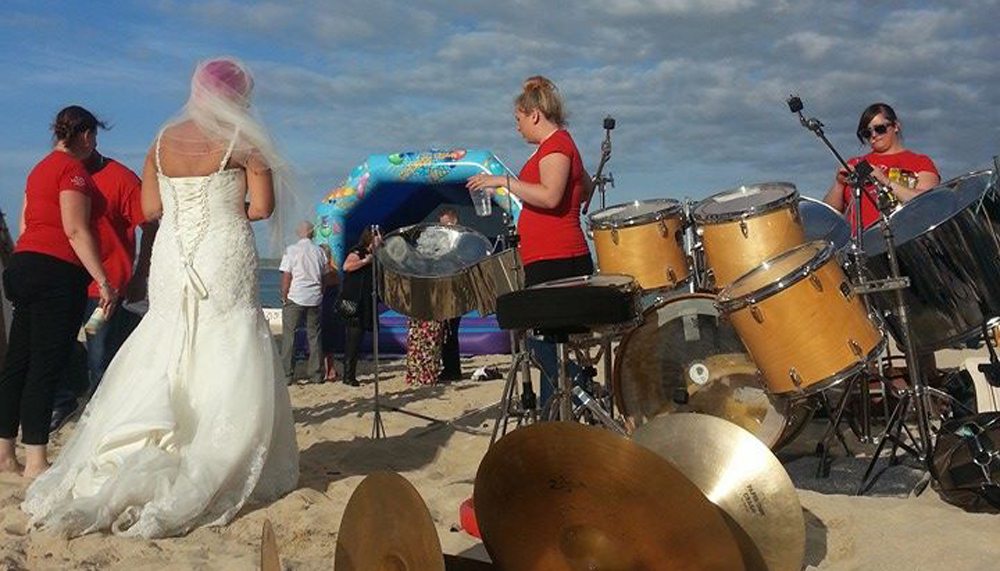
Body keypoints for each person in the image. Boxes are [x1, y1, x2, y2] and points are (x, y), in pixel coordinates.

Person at [22, 57, 299, 538]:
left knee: (167, 334)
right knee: (228, 334)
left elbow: (150, 209)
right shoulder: (245, 142)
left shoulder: (160, 142)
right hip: (221, 247)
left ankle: (145, 441)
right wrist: (225, 201)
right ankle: (209, 445)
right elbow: (262, 207)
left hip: (173, 251)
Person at [0, 106, 118, 480]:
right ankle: (35, 459)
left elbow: (24, 223)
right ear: (84, 135)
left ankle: (5, 453)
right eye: (94, 137)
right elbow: (75, 229)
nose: (95, 144)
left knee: (18, 361)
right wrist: (102, 280)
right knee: (46, 364)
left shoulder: (38, 170)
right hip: (56, 270)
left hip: (24, 264)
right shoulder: (73, 172)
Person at [466, 76, 595, 411]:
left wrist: (504, 182)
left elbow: (551, 197)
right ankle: (558, 412)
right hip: (548, 257)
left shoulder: (556, 146)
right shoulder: (557, 148)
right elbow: (585, 182)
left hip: (558, 259)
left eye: (518, 120)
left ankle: (569, 404)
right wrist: (579, 197)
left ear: (534, 114)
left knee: (546, 347)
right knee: (545, 344)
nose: (518, 128)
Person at [49, 139, 159, 431]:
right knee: (56, 346)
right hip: (64, 279)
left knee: (100, 354)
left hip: (105, 289)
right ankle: (64, 400)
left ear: (88, 140)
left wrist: (141, 273)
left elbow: (150, 224)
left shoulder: (120, 178)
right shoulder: (59, 173)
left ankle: (99, 418)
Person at [823, 102, 940, 233]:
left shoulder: (919, 162)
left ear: (896, 126)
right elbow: (828, 215)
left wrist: (885, 181)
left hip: (903, 240)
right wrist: (839, 184)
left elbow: (927, 204)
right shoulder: (856, 163)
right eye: (867, 133)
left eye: (879, 129)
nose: (873, 135)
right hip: (862, 246)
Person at [279, 221, 328, 385]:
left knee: (290, 336)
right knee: (314, 337)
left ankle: (287, 375)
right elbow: (324, 276)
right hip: (314, 297)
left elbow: (287, 276)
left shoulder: (291, 250)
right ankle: (316, 374)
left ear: (299, 233)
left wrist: (284, 295)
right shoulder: (320, 251)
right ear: (312, 234)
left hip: (296, 296)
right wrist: (321, 291)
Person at [340, 228, 378, 387]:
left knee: (359, 336)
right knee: (353, 338)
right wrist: (364, 261)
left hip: (364, 301)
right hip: (353, 301)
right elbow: (346, 267)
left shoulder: (375, 255)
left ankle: (350, 373)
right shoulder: (358, 251)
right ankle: (348, 375)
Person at [438, 207, 462, 381]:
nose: (443, 228)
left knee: (450, 332)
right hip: (443, 289)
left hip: (455, 291)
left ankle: (452, 370)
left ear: (454, 222)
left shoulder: (461, 240)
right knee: (446, 332)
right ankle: (449, 367)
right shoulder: (444, 240)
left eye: (446, 224)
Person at [318, 243, 340, 382]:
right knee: (327, 338)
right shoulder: (333, 269)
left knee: (325, 338)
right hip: (331, 305)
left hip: (326, 305)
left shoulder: (327, 270)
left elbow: (323, 289)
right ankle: (329, 369)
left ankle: (329, 370)